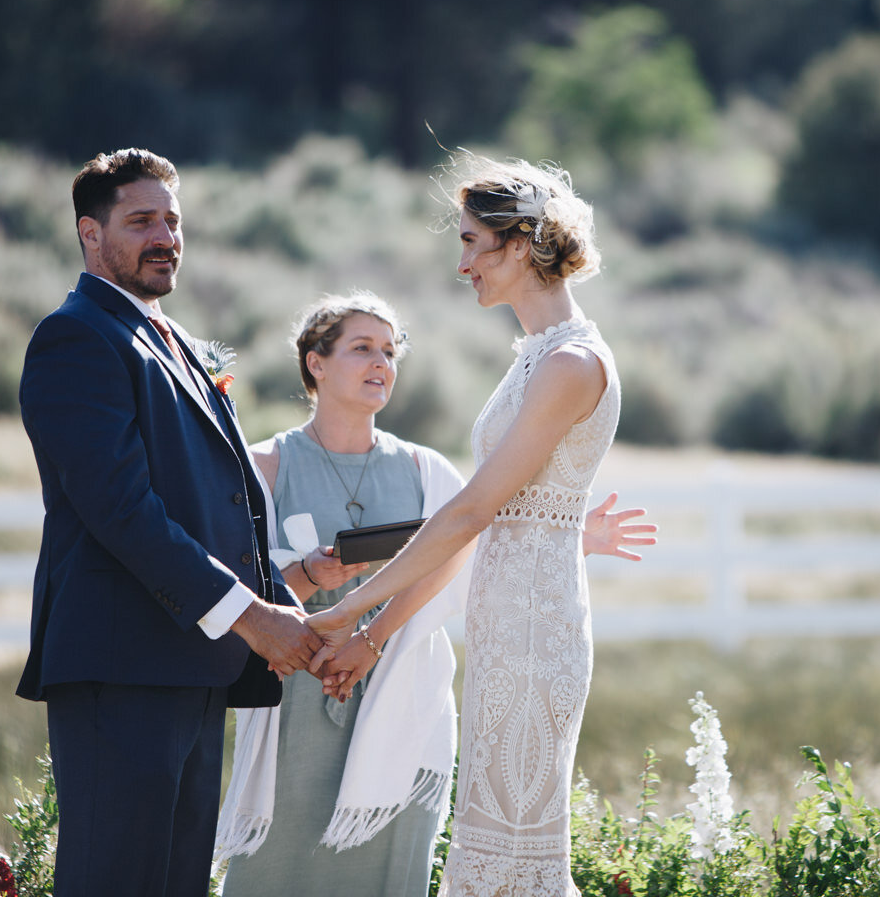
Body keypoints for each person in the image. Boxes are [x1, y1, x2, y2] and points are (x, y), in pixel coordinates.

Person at [217, 291, 655, 897]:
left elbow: (473, 553)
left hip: (405, 699)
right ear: (315, 362)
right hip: (295, 696)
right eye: (362, 348)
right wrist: (312, 577)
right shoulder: (262, 466)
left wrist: (572, 539)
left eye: (390, 352)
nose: (382, 364)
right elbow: (237, 589)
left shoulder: (427, 471)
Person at [309, 156, 621, 895]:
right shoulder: (535, 357)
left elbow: (474, 510)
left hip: (535, 634)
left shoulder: (571, 362)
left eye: (472, 242)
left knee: (519, 859)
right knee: (495, 850)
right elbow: (488, 519)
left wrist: (355, 606)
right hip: (504, 625)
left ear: (520, 246)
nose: (461, 264)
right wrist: (370, 631)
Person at [15, 148, 321, 897]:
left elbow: (214, 501)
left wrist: (283, 605)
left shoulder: (171, 336)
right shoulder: (77, 337)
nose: (165, 236)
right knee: (113, 880)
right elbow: (123, 512)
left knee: (175, 882)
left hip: (192, 661)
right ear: (91, 234)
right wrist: (251, 617)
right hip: (122, 663)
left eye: (173, 221)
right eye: (141, 220)